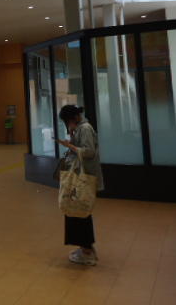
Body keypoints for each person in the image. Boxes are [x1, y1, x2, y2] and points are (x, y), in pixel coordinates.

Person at [56, 105, 104, 266]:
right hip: (80, 177)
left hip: (83, 178)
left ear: (73, 118)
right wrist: (72, 138)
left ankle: (87, 252)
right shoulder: (80, 129)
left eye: (67, 121)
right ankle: (86, 248)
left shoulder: (85, 128)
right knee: (78, 211)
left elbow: (89, 152)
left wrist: (70, 146)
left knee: (79, 212)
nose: (67, 124)